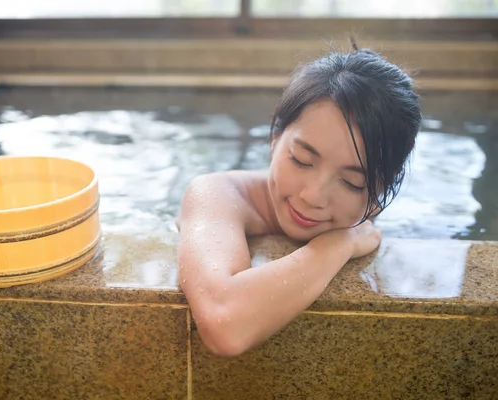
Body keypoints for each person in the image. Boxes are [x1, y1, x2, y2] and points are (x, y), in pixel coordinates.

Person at [176, 41, 422, 357]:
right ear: (276, 139)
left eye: (351, 182)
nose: (313, 196)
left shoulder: (366, 213)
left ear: (379, 196)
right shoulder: (216, 194)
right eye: (302, 160)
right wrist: (338, 244)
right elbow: (225, 321)